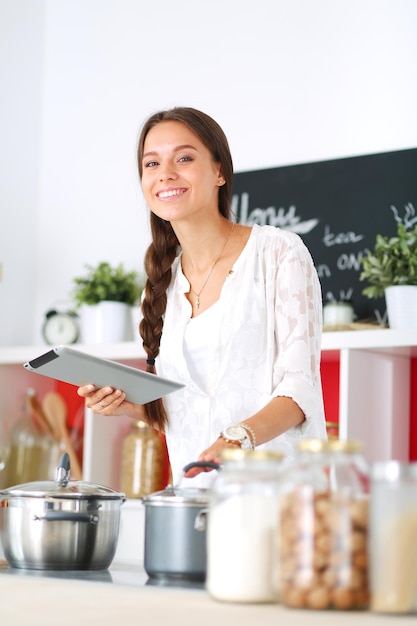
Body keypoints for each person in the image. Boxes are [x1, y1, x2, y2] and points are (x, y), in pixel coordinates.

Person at [77, 107, 327, 487]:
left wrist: (236, 438)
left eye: (184, 157)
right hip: (196, 500)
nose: (165, 173)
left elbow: (300, 390)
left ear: (220, 172)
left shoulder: (278, 253)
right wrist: (138, 409)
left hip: (281, 501)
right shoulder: (162, 283)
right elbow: (196, 407)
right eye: (151, 163)